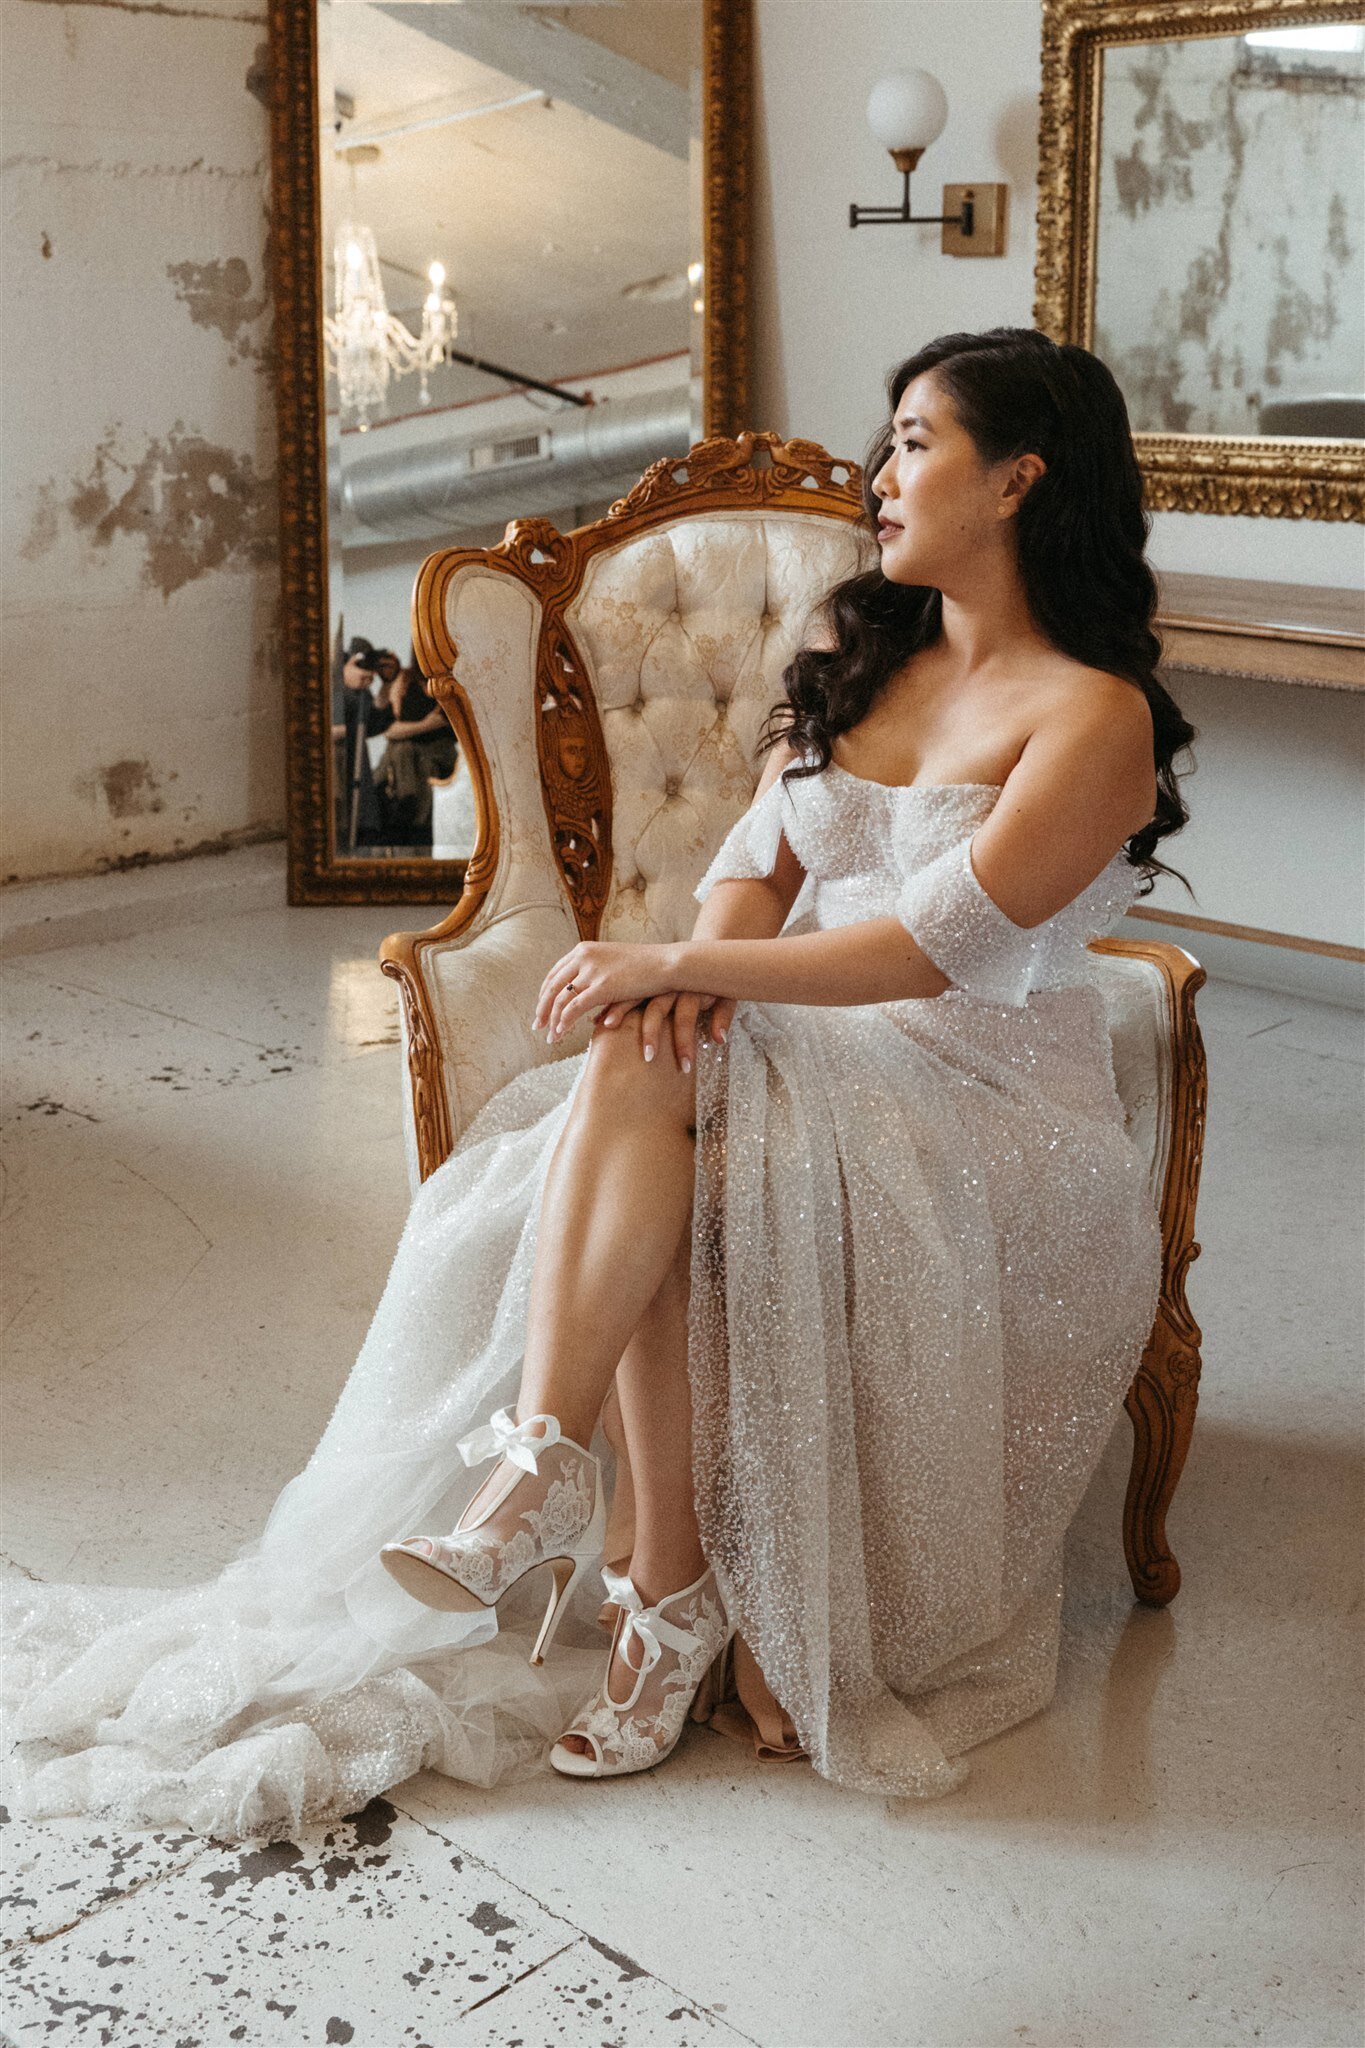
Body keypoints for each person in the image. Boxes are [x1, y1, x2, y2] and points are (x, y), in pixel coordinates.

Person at [3, 327, 1193, 1836]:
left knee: (658, 1040)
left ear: (1019, 477)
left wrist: (679, 979)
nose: (883, 476)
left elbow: (927, 955)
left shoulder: (1094, 715)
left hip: (977, 1100)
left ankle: (602, 1545)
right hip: (813, 1042)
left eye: (915, 442)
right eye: (888, 441)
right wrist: (691, 968)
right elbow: (749, 880)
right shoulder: (860, 647)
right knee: (659, 1058)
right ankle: (608, 1535)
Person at [370, 651, 458, 847]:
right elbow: (389, 729)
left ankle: (413, 815)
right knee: (402, 749)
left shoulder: (451, 683)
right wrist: (427, 725)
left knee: (416, 759)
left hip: (439, 753)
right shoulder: (404, 680)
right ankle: (405, 803)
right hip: (406, 754)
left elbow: (452, 722)